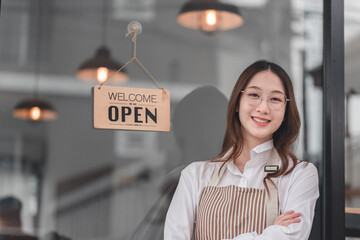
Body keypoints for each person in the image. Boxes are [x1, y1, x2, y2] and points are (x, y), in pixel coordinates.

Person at [164, 60, 319, 240]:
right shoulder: (195, 175)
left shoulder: (300, 175)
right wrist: (269, 233)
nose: (263, 108)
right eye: (254, 95)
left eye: (275, 99)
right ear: (237, 103)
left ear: (286, 111)